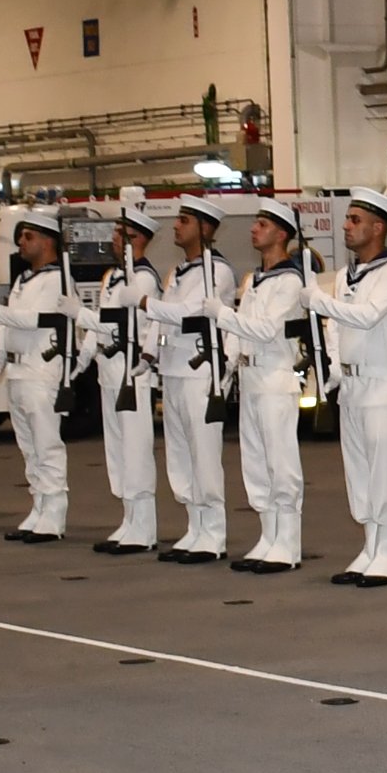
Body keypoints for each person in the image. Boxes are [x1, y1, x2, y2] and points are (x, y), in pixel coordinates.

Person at [304, 188, 387, 585]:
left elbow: (367, 316)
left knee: (383, 473)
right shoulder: (344, 275)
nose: (346, 226)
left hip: (383, 385)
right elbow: (336, 329)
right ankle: (370, 547)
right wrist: (334, 370)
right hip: (352, 388)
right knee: (358, 474)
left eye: (355, 220)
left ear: (378, 227)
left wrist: (319, 301)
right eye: (348, 219)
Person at [219, 196, 315, 572]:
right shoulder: (254, 279)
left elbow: (265, 329)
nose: (253, 230)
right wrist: (227, 366)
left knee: (280, 463)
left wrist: (223, 315)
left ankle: (287, 544)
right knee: (256, 464)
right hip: (251, 379)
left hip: (276, 378)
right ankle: (268, 536)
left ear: (281, 234)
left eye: (262, 225)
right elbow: (241, 333)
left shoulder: (289, 281)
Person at [152, 199, 231, 563]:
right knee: (181, 457)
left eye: (184, 220)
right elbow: (165, 322)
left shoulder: (217, 271)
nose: (176, 226)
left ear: (205, 228)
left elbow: (189, 312)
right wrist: (149, 354)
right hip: (172, 370)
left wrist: (146, 304)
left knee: (204, 456)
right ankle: (194, 527)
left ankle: (213, 535)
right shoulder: (179, 271)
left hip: (199, 373)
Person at [0, 206, 78, 544]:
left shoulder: (58, 279)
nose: (21, 243)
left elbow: (34, 320)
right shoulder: (24, 279)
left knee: (46, 444)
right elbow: (9, 324)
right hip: (18, 371)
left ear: (47, 241)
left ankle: (54, 513)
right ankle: (39, 505)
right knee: (29, 448)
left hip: (41, 369)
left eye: (28, 237)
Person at [90, 195, 163, 555]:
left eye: (121, 234)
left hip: (131, 371)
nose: (114, 239)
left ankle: (144, 526)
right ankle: (129, 518)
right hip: (109, 371)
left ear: (138, 239)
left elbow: (135, 325)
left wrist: (82, 318)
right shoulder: (113, 276)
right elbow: (102, 322)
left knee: (135, 450)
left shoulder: (144, 278)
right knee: (117, 450)